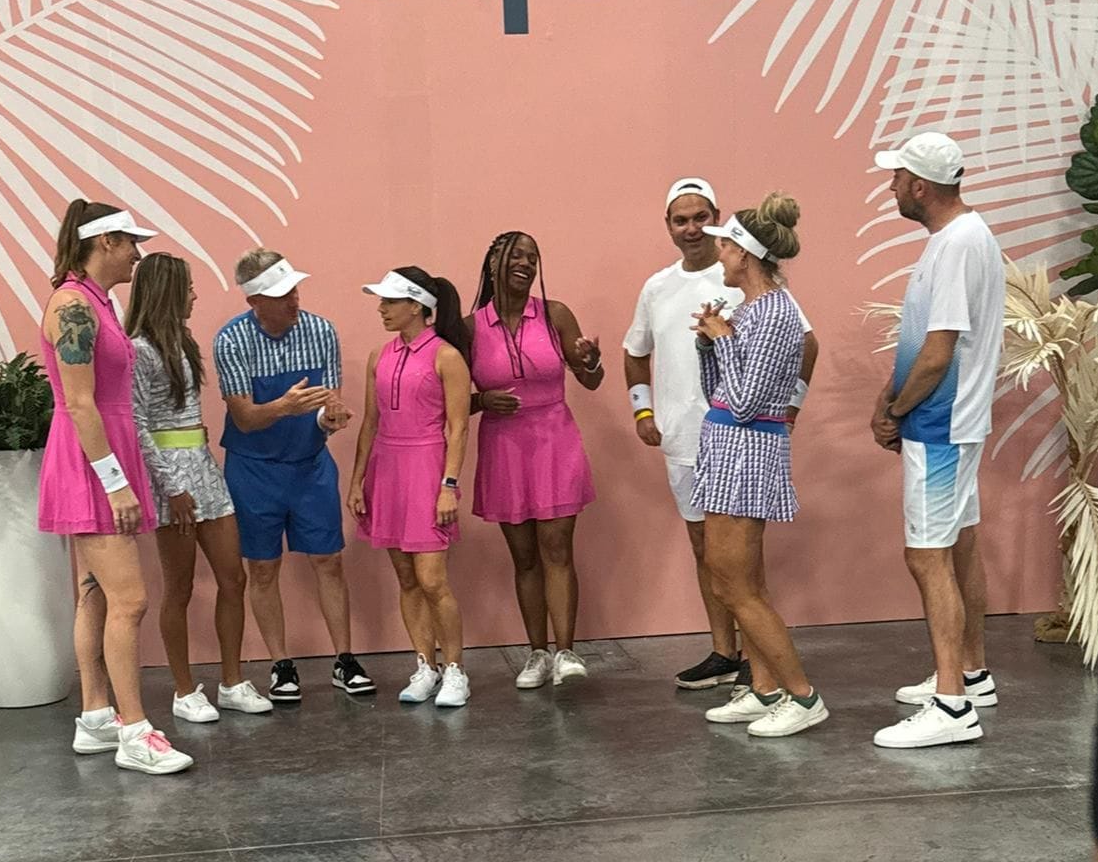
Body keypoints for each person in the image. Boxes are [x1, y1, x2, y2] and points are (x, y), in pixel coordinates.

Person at [624, 177, 819, 690]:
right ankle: (729, 656)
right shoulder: (659, 287)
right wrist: (644, 412)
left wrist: (789, 408)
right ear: (668, 225)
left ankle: (775, 678)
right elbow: (637, 352)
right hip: (694, 439)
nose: (693, 230)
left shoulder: (761, 295)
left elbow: (784, 363)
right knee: (712, 557)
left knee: (742, 571)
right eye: (680, 220)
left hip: (742, 443)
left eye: (702, 219)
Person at [38, 200, 192, 774]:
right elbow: (80, 404)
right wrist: (115, 484)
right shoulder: (73, 305)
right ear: (105, 242)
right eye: (131, 243)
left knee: (96, 593)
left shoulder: (97, 302)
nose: (137, 254)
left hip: (105, 457)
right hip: (92, 465)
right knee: (131, 600)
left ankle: (96, 716)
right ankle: (135, 731)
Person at [869, 132, 1005, 749]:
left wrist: (897, 411)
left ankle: (952, 706)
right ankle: (971, 675)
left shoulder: (956, 245)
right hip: (951, 422)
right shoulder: (961, 238)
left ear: (920, 187)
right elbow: (921, 344)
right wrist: (889, 399)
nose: (892, 186)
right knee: (959, 545)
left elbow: (938, 352)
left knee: (926, 556)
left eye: (897, 177)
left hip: (939, 425)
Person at [693, 195, 829, 738]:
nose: (718, 255)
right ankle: (765, 688)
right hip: (727, 448)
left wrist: (723, 341)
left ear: (745, 254)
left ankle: (802, 695)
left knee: (736, 585)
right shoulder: (750, 310)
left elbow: (748, 404)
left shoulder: (775, 312)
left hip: (747, 452)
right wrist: (709, 346)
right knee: (734, 579)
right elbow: (720, 393)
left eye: (724, 247)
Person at [213, 248, 372, 703]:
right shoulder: (231, 341)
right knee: (263, 568)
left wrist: (330, 418)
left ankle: (344, 659)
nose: (294, 300)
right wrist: (285, 406)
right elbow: (244, 418)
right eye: (282, 295)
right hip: (253, 469)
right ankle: (281, 664)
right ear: (254, 301)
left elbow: (328, 403)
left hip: (310, 465)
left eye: (295, 290)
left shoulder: (321, 331)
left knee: (329, 560)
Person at [126, 252, 273, 722]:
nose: (194, 295)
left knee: (234, 577)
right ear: (167, 291)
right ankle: (184, 690)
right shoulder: (139, 350)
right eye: (187, 287)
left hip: (205, 469)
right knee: (180, 587)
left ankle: (231, 681)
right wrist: (171, 487)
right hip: (172, 477)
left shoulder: (184, 342)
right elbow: (138, 424)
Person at [467, 231, 601, 688]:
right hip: (504, 446)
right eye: (516, 256)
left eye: (533, 258)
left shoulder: (554, 314)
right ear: (492, 263)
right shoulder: (470, 328)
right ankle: (537, 654)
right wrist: (482, 399)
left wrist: (591, 361)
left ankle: (566, 652)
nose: (525, 264)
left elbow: (591, 380)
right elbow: (449, 398)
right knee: (524, 557)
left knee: (557, 548)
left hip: (554, 440)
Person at [347, 268, 473, 707]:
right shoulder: (378, 356)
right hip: (387, 470)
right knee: (406, 578)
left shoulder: (447, 357)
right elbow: (371, 422)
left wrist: (448, 485)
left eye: (389, 301)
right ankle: (425, 665)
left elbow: (458, 428)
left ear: (417, 306)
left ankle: (455, 669)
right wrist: (358, 480)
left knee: (433, 579)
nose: (381, 309)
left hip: (427, 469)